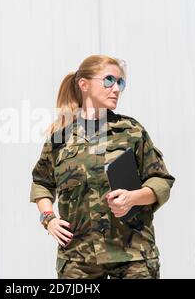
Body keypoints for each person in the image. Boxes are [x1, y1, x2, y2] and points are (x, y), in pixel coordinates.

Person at [29, 54, 175, 279]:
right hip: (78, 258)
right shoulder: (60, 139)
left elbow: (161, 180)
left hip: (133, 256)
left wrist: (133, 198)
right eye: (108, 80)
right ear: (84, 85)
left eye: (120, 82)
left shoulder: (132, 131)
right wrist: (48, 218)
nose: (116, 88)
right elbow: (42, 183)